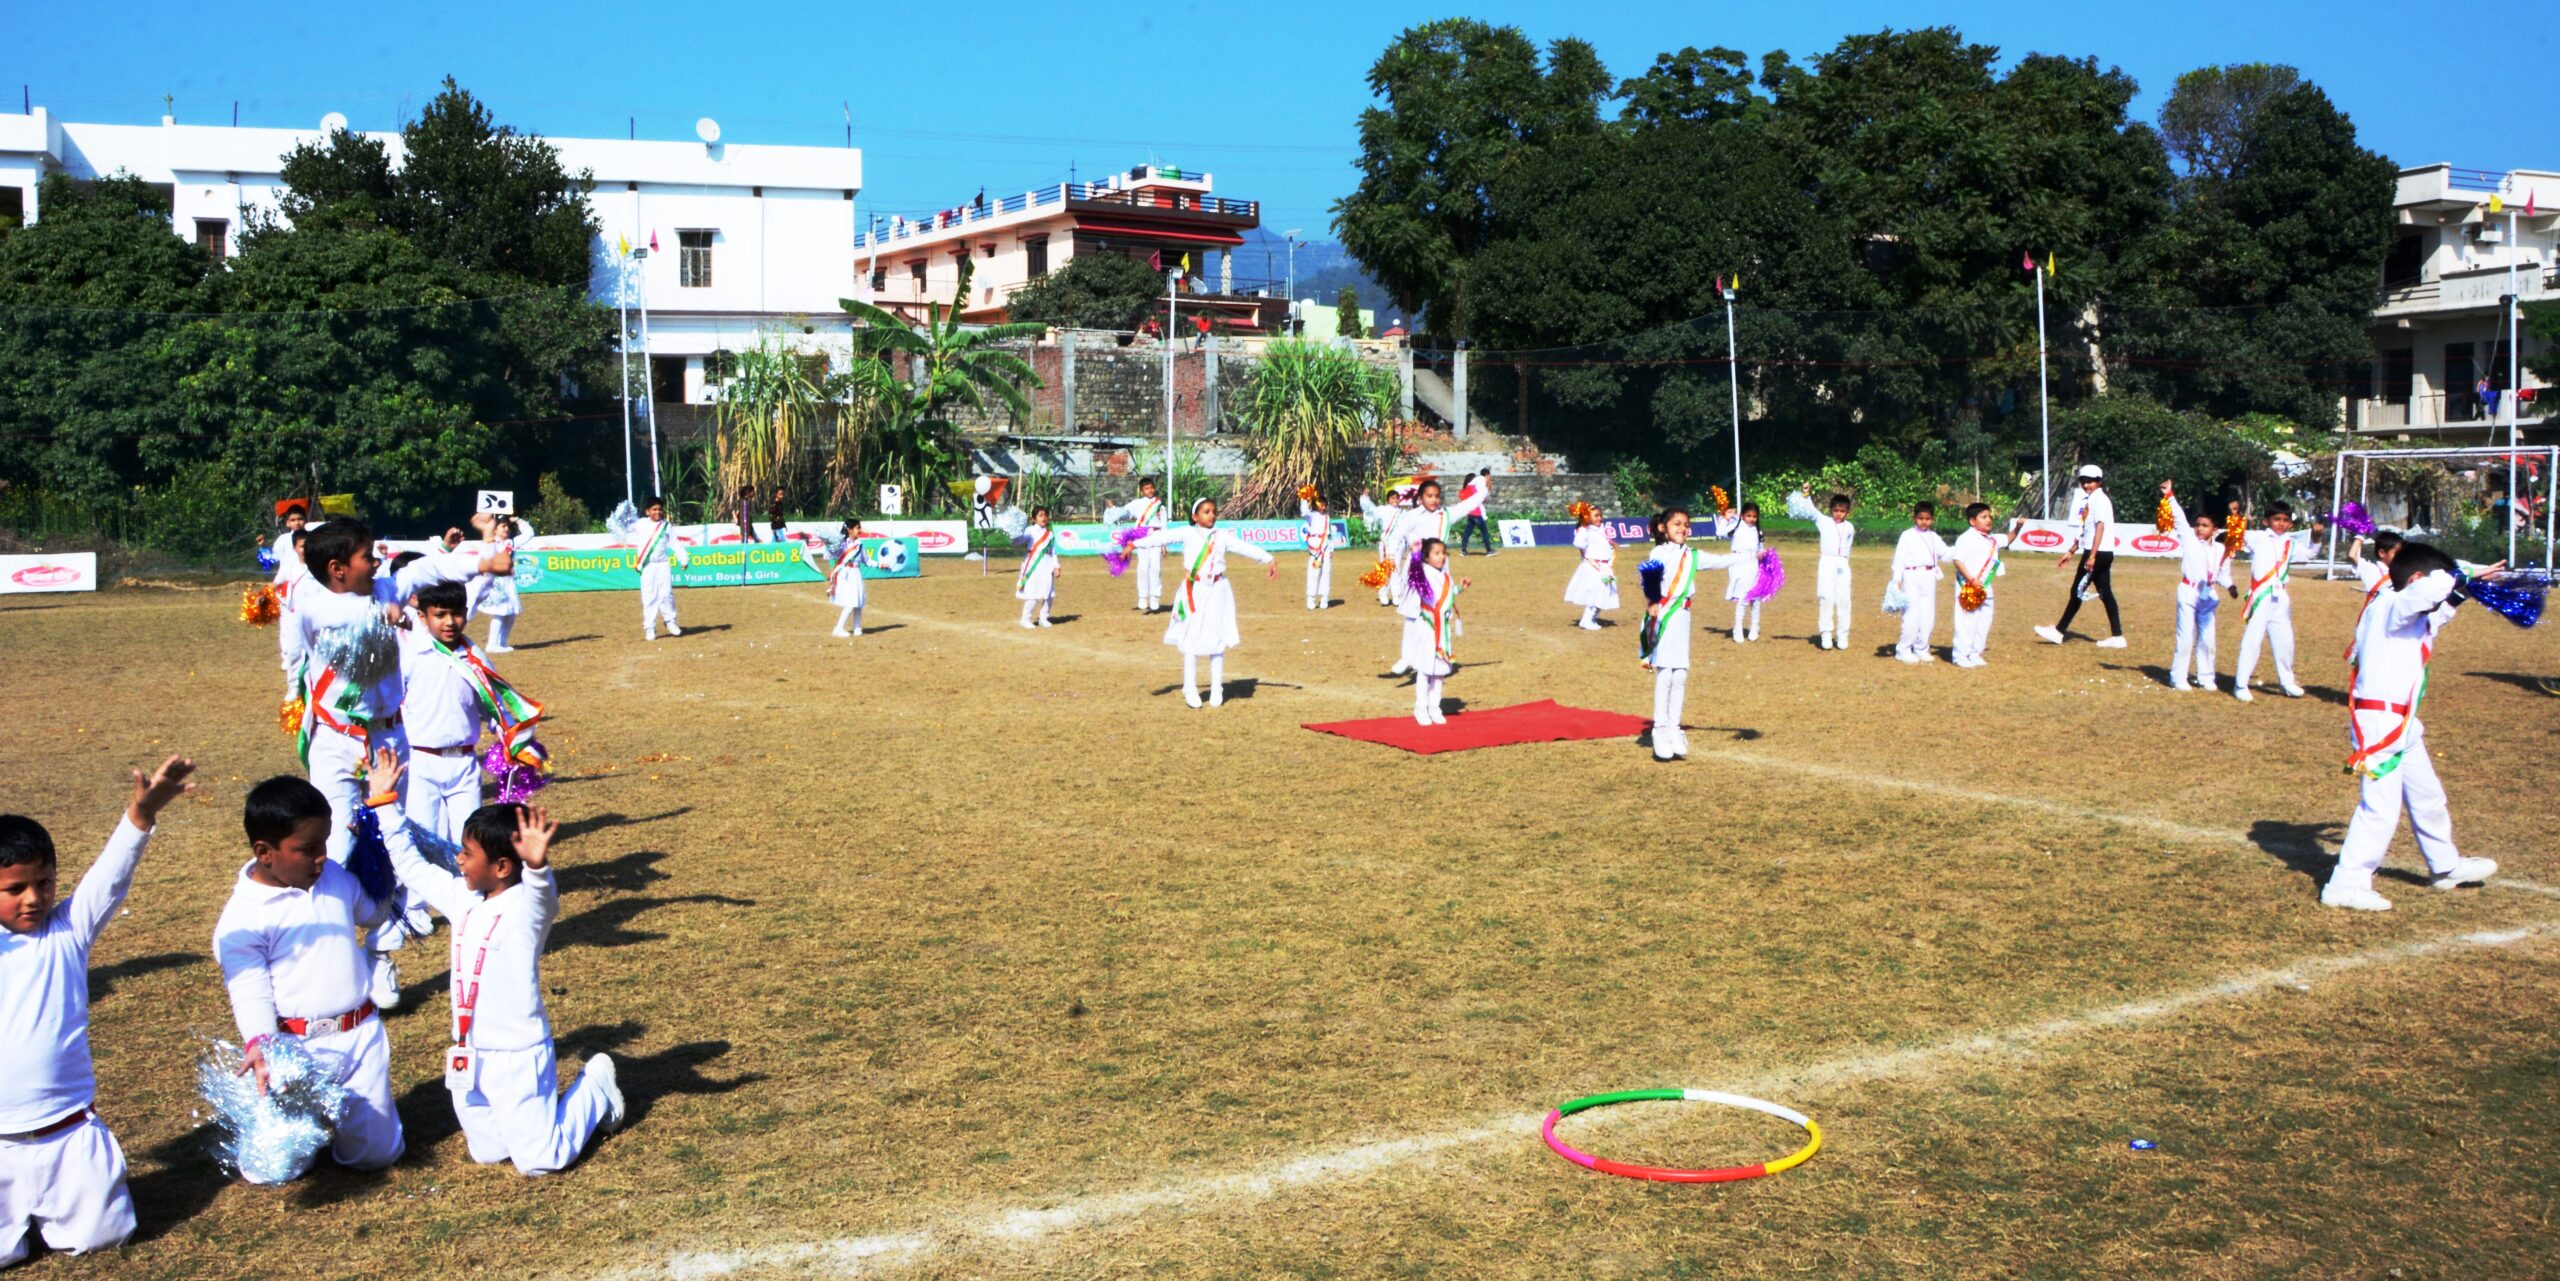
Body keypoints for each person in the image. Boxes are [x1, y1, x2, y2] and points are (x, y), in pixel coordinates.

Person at [369, 757, 626, 1174]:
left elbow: (545, 900)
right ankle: (525, 1123)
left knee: (540, 1161)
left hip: (518, 1054)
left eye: (468, 854)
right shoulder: (462, 898)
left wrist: (539, 866)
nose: (459, 861)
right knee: (488, 1151)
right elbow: (411, 866)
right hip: (468, 1053)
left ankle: (595, 1085)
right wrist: (384, 804)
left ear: (503, 867)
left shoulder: (525, 911)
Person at [0, 756, 195, 1267]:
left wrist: (141, 814)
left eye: (43, 883)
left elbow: (110, 878)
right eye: (14, 889)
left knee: (105, 1237)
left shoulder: (69, 930)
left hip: (68, 1132)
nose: (32, 898)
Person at [213, 776, 408, 1183]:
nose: (321, 857)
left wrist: (374, 856)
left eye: (324, 844)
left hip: (360, 1037)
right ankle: (305, 1126)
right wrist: (260, 1044)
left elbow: (372, 913)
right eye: (307, 849)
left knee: (377, 1156)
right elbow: (249, 990)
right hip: (295, 1050)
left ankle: (349, 1127)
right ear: (265, 853)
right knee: (273, 1170)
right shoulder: (242, 919)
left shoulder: (333, 877)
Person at [2321, 544, 2498, 910]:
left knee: (2427, 795)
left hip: (2402, 721)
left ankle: (2444, 866)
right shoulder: (2391, 604)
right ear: (2417, 580)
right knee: (2380, 809)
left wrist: (2460, 593)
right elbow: (2429, 592)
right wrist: (2462, 573)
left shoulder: (2404, 612)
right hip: (2380, 722)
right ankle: (2346, 884)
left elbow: (2435, 615)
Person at [402, 580, 544, 850]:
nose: (450, 622)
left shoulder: (475, 657)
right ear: (422, 616)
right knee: (424, 841)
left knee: (468, 842)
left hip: (464, 763)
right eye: (440, 614)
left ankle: (468, 891)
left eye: (456, 613)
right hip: (421, 762)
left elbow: (493, 706)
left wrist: (514, 739)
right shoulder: (410, 655)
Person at [1130, 497, 1279, 708]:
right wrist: (1134, 544)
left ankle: (1217, 687)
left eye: (1213, 511)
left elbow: (1243, 547)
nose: (1211, 515)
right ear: (1195, 516)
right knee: (1191, 638)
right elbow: (1161, 537)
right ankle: (1190, 687)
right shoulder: (1187, 533)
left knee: (1217, 638)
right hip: (1194, 590)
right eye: (1206, 511)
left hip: (1218, 590)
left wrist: (1268, 558)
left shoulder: (1222, 536)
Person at [1637, 508, 1747, 762]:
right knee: (1665, 673)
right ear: (1663, 528)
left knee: (1681, 674)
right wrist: (1652, 601)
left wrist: (1753, 555)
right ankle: (1660, 730)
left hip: (1683, 616)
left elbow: (1722, 560)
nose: (1682, 528)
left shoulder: (1692, 555)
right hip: (1665, 615)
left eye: (1686, 524)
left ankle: (1675, 728)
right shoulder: (1659, 552)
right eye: (1677, 524)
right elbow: (1648, 576)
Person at [2034, 464, 2125, 648]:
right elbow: (2086, 529)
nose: (2086, 485)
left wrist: (2091, 556)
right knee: (2105, 593)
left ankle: (2059, 631)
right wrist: (2071, 550)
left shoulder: (2099, 500)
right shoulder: (2090, 500)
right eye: (2083, 481)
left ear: (2099, 482)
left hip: (2097, 552)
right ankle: (2117, 636)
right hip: (2099, 552)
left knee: (2077, 591)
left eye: (2090, 481)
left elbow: (2100, 527)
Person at [2156, 483, 2232, 692]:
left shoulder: (2220, 549)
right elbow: (2179, 519)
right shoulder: (2190, 540)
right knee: (2186, 636)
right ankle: (2178, 677)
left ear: (2215, 530)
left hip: (2208, 595)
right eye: (2198, 524)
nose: (2199, 528)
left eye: (2205, 525)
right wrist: (2170, 496)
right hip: (2189, 591)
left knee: (2208, 639)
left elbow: (2222, 574)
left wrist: (2231, 586)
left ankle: (2206, 676)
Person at [2229, 501, 2306, 703]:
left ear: (2290, 523)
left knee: (2285, 641)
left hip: (2281, 597)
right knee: (2252, 640)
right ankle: (2241, 684)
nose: (2281, 523)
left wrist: (2315, 537)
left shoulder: (2291, 543)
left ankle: (2287, 681)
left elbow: (2310, 554)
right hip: (2261, 595)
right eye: (2276, 519)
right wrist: (2235, 515)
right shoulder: (2259, 537)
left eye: (2285, 520)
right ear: (2267, 521)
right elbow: (2238, 536)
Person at [1400, 538, 1470, 724]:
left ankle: (1434, 706)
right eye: (1436, 553)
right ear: (1426, 557)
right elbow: (1414, 577)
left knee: (1439, 670)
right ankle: (1421, 708)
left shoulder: (1446, 577)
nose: (1441, 557)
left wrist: (1459, 589)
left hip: (1443, 630)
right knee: (1425, 669)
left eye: (1443, 553)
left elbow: (1447, 595)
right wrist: (1415, 555)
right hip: (1428, 627)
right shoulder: (1422, 572)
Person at [1785, 485, 1856, 651]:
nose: (1839, 514)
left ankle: (1842, 634)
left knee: (1844, 600)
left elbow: (1847, 547)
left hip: (1842, 563)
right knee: (1826, 598)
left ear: (1848, 512)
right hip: (1827, 562)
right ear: (1831, 509)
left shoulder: (1850, 527)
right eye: (1836, 510)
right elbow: (1810, 510)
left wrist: (1844, 563)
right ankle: (1825, 633)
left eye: (1842, 511)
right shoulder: (1823, 521)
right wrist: (1806, 493)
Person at [1945, 503, 2010, 669]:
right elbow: (1957, 560)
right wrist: (1971, 579)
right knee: (1967, 620)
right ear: (1972, 521)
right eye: (1984, 517)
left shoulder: (1991, 539)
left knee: (1984, 621)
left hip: (1986, 586)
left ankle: (1975, 653)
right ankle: (1960, 655)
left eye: (1989, 516)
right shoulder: (1966, 538)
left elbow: (2008, 539)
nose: (1988, 520)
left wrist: (2018, 527)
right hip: (1968, 585)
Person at [1889, 503, 1951, 662]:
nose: (1924, 522)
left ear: (1932, 519)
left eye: (1928, 519)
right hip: (1911, 575)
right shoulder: (1907, 535)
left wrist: (1963, 552)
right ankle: (1903, 649)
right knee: (1911, 614)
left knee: (1928, 614)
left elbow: (1946, 553)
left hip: (1929, 576)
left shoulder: (1934, 537)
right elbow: (1899, 558)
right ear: (1914, 518)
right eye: (1921, 518)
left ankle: (1921, 647)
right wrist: (1897, 579)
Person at [1106, 479, 1169, 613]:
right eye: (1146, 488)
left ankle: (1155, 597)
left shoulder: (1160, 505)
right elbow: (1124, 513)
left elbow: (1164, 525)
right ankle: (1142, 597)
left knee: (1156, 568)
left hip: (1156, 536)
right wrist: (1112, 509)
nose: (1150, 491)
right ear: (1141, 491)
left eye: (1152, 488)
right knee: (1143, 567)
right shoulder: (1136, 504)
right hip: (1141, 535)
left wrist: (1164, 544)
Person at [631, 496, 688, 641]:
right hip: (648, 565)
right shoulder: (640, 524)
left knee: (666, 594)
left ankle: (671, 622)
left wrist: (683, 558)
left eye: (660, 509)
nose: (657, 512)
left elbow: (675, 543)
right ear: (647, 511)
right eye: (654, 509)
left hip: (663, 564)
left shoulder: (666, 526)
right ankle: (650, 627)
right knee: (649, 596)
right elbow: (624, 526)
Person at [270, 502, 312, 695]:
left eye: (300, 519)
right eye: (293, 519)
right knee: (289, 637)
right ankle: (293, 682)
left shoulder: (315, 545)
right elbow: (279, 572)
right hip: (290, 599)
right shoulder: (282, 542)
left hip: (313, 612)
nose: (297, 522)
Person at [476, 515, 528, 653]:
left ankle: (502, 642)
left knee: (511, 613)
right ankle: (492, 645)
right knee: (499, 613)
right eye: (503, 526)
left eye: (507, 526)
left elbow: (529, 533)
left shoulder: (511, 542)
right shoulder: (491, 543)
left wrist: (517, 521)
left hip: (508, 582)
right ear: (495, 529)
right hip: (496, 582)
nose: (506, 529)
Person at [1564, 502, 1618, 630]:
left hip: (1604, 567)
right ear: (1587, 517)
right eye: (1596, 516)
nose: (1599, 518)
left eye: (1600, 515)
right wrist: (1583, 527)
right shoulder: (1585, 530)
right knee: (1596, 592)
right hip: (1592, 566)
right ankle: (1586, 620)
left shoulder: (1600, 530)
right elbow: (1578, 543)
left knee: (1605, 593)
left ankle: (1592, 618)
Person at [1715, 501, 1765, 642]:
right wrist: (1726, 518)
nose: (1751, 519)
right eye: (1748, 515)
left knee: (1755, 598)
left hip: (1754, 564)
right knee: (1742, 597)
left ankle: (1754, 626)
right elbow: (1719, 532)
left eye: (1754, 516)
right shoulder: (1736, 526)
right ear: (1743, 515)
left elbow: (1760, 546)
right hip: (1739, 563)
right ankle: (1738, 628)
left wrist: (1762, 553)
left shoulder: (1758, 530)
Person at [1013, 506, 1061, 629]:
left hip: (1046, 563)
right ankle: (1025, 619)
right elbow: (1018, 542)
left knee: (1048, 593)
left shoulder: (1050, 534)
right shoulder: (1030, 530)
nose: (1043, 518)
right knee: (1032, 593)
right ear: (1034, 519)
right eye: (1040, 515)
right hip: (1032, 564)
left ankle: (1044, 618)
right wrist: (1014, 533)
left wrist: (1056, 566)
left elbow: (1053, 551)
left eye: (1045, 515)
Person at [822, 518, 869, 637]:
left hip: (856, 573)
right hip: (846, 575)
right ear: (849, 530)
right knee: (851, 602)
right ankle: (838, 628)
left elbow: (867, 561)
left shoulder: (859, 545)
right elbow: (831, 557)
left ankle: (857, 627)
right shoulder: (841, 544)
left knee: (859, 601)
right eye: (858, 528)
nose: (860, 530)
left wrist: (880, 564)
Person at [1301, 495, 1334, 610]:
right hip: (1316, 548)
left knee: (1326, 572)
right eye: (1320, 504)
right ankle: (1311, 598)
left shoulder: (1327, 517)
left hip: (1325, 547)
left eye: (1324, 504)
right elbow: (1304, 512)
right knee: (1314, 573)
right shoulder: (1312, 515)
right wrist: (1304, 498)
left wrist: (1331, 549)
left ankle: (1324, 598)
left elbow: (1329, 535)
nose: (1322, 506)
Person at [1455, 469, 1498, 556]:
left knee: (1467, 531)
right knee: (1484, 531)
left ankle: (1463, 550)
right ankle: (1489, 550)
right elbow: (1483, 496)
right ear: (1487, 475)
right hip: (1476, 513)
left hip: (1471, 512)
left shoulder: (1473, 486)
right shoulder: (1481, 480)